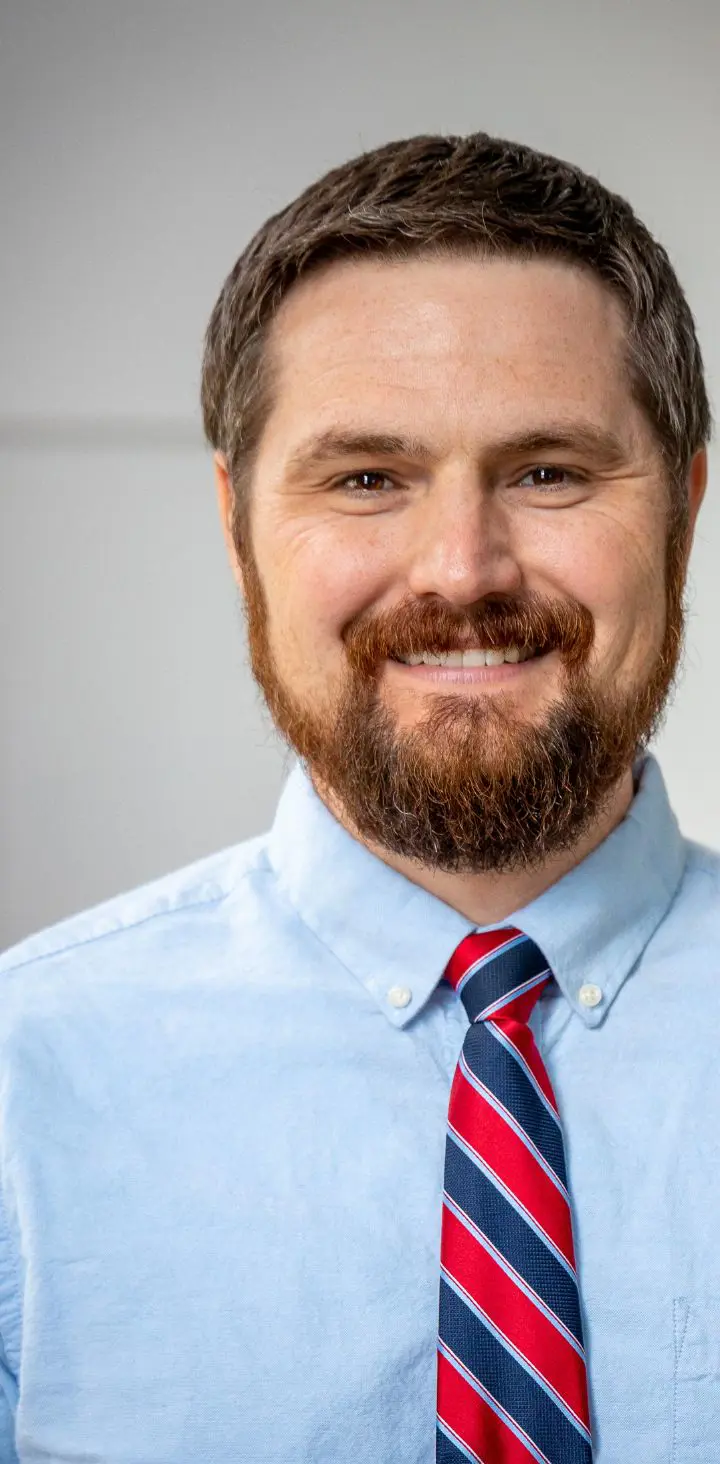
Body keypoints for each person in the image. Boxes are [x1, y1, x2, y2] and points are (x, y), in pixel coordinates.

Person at [0, 129, 714, 1464]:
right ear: (234, 527)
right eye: (367, 478)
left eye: (549, 470)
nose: (461, 568)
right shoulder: (19, 1095)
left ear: (684, 504)